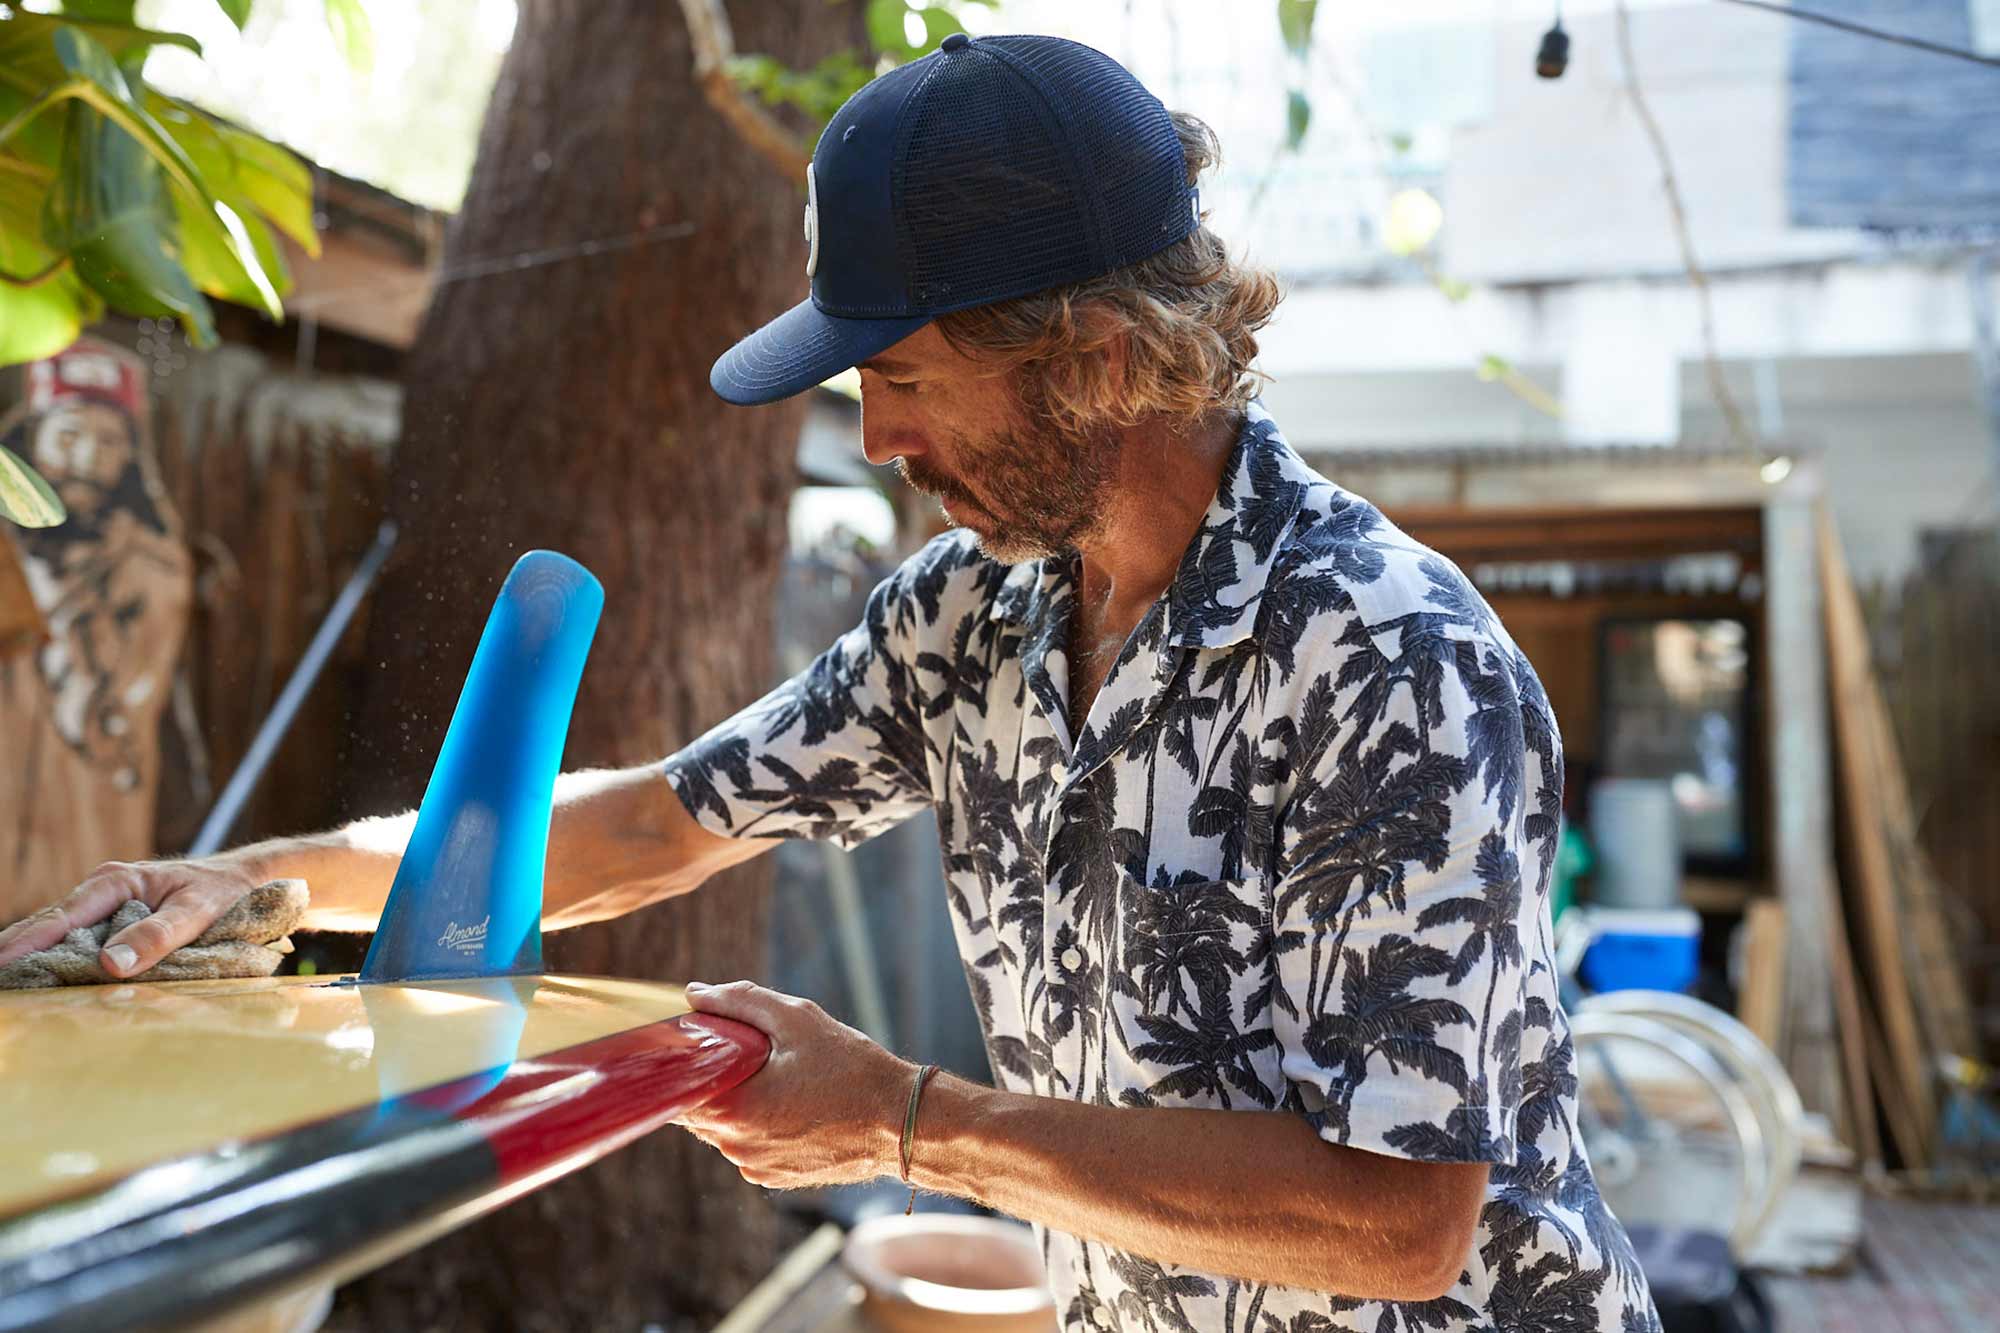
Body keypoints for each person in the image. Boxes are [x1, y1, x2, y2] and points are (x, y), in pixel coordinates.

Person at [0, 34, 1658, 1333]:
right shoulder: (970, 618)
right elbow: (653, 826)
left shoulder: (1392, 659)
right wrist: (263, 882)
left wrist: (908, 1120)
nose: (873, 439)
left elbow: (1401, 1216)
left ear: (1097, 358)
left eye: (906, 376)